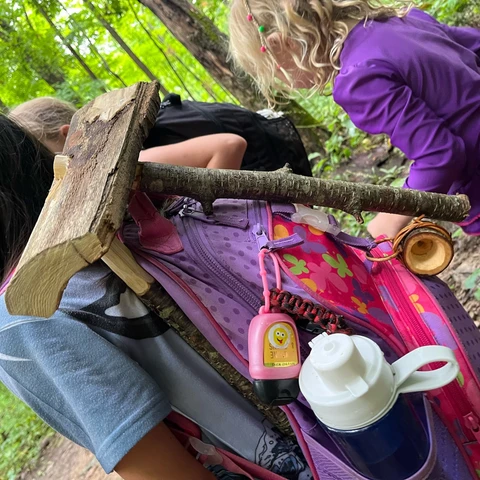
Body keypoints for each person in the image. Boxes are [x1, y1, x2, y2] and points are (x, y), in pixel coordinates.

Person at [0, 115, 311, 480]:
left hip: (298, 459)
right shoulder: (110, 196)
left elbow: (166, 472)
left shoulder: (22, 315)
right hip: (329, 381)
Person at [228, 1, 480, 238]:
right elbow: (474, 44)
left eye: (274, 73)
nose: (283, 82)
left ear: (281, 44)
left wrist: (390, 220)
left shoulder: (358, 79)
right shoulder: (403, 19)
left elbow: (439, 155)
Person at [9, 97, 247, 170]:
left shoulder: (127, 164)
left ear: (69, 135)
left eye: (42, 157)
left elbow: (228, 145)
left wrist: (206, 218)